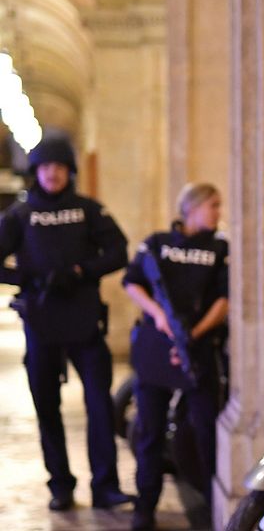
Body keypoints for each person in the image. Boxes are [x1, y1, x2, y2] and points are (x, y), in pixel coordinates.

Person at [0, 136, 133, 511]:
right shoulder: (19, 216)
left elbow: (118, 251)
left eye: (59, 167)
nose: (52, 174)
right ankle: (61, 485)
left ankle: (105, 486)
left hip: (85, 324)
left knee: (100, 406)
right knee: (47, 408)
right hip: (41, 324)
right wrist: (27, 279)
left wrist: (80, 271)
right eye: (45, 167)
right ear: (35, 172)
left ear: (69, 171)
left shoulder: (88, 210)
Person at [122, 182, 229, 531]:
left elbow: (224, 300)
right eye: (212, 205)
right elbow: (132, 281)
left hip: (198, 352)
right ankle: (145, 505)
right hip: (155, 348)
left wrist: (194, 334)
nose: (217, 212)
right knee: (150, 432)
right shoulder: (156, 244)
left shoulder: (218, 248)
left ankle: (215, 508)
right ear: (192, 208)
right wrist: (157, 313)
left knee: (207, 432)